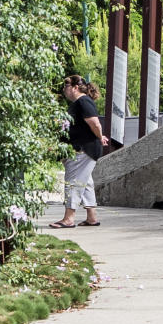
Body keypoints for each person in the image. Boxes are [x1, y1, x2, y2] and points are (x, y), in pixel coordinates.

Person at [51, 75, 109, 228]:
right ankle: (92, 218)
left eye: (66, 86)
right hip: (84, 148)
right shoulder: (79, 103)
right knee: (86, 183)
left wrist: (99, 135)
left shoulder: (83, 101)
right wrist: (99, 136)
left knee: (73, 183)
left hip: (83, 150)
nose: (64, 90)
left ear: (75, 87)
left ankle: (69, 219)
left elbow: (95, 123)